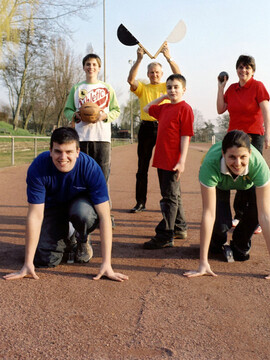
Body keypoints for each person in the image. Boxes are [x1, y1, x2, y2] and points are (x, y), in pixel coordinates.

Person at [3, 127, 129, 282]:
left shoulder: (90, 168)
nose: (63, 157)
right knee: (44, 260)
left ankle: (82, 238)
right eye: (58, 151)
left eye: (69, 152)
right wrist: (27, 263)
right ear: (50, 151)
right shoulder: (38, 167)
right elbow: (35, 215)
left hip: (80, 207)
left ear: (77, 151)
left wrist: (107, 264)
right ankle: (68, 239)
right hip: (53, 209)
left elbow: (104, 217)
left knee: (83, 214)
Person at [184, 130, 270, 280]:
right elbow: (208, 214)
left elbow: (265, 215)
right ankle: (216, 242)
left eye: (243, 157)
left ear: (250, 154)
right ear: (223, 154)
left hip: (247, 184)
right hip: (219, 184)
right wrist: (202, 263)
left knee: (260, 213)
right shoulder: (210, 164)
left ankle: (239, 243)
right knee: (220, 225)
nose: (238, 164)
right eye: (232, 157)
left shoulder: (259, 166)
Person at [217, 55, 270, 233]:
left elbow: (266, 112)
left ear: (253, 70)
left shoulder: (258, 86)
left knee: (251, 176)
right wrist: (221, 88)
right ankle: (239, 215)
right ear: (236, 70)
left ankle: (255, 218)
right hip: (234, 137)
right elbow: (220, 109)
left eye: (248, 67)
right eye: (241, 67)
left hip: (253, 136)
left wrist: (268, 134)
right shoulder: (232, 89)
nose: (244, 70)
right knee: (236, 173)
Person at [64, 53, 120, 226]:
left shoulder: (107, 88)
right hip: (81, 139)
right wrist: (74, 115)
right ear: (83, 67)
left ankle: (105, 214)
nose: (91, 67)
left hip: (102, 139)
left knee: (103, 178)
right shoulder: (76, 88)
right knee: (79, 177)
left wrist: (104, 115)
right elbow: (67, 110)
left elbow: (116, 110)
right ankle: (80, 213)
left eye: (94, 64)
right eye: (88, 64)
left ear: (99, 67)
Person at [142, 74, 194, 249]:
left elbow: (185, 136)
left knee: (169, 198)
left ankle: (166, 235)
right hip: (161, 159)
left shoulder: (185, 109)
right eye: (169, 87)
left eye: (176, 87)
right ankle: (179, 228)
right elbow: (147, 108)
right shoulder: (163, 109)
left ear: (183, 90)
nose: (172, 90)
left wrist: (182, 161)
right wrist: (163, 97)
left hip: (173, 161)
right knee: (174, 196)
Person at [127, 43, 180, 213]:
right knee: (142, 167)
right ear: (147, 74)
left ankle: (168, 201)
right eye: (151, 72)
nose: (154, 75)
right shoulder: (143, 88)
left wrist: (168, 57)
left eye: (157, 72)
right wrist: (139, 59)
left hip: (165, 128)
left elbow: (178, 75)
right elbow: (130, 80)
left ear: (162, 74)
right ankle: (140, 202)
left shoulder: (167, 86)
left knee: (165, 166)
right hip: (146, 129)